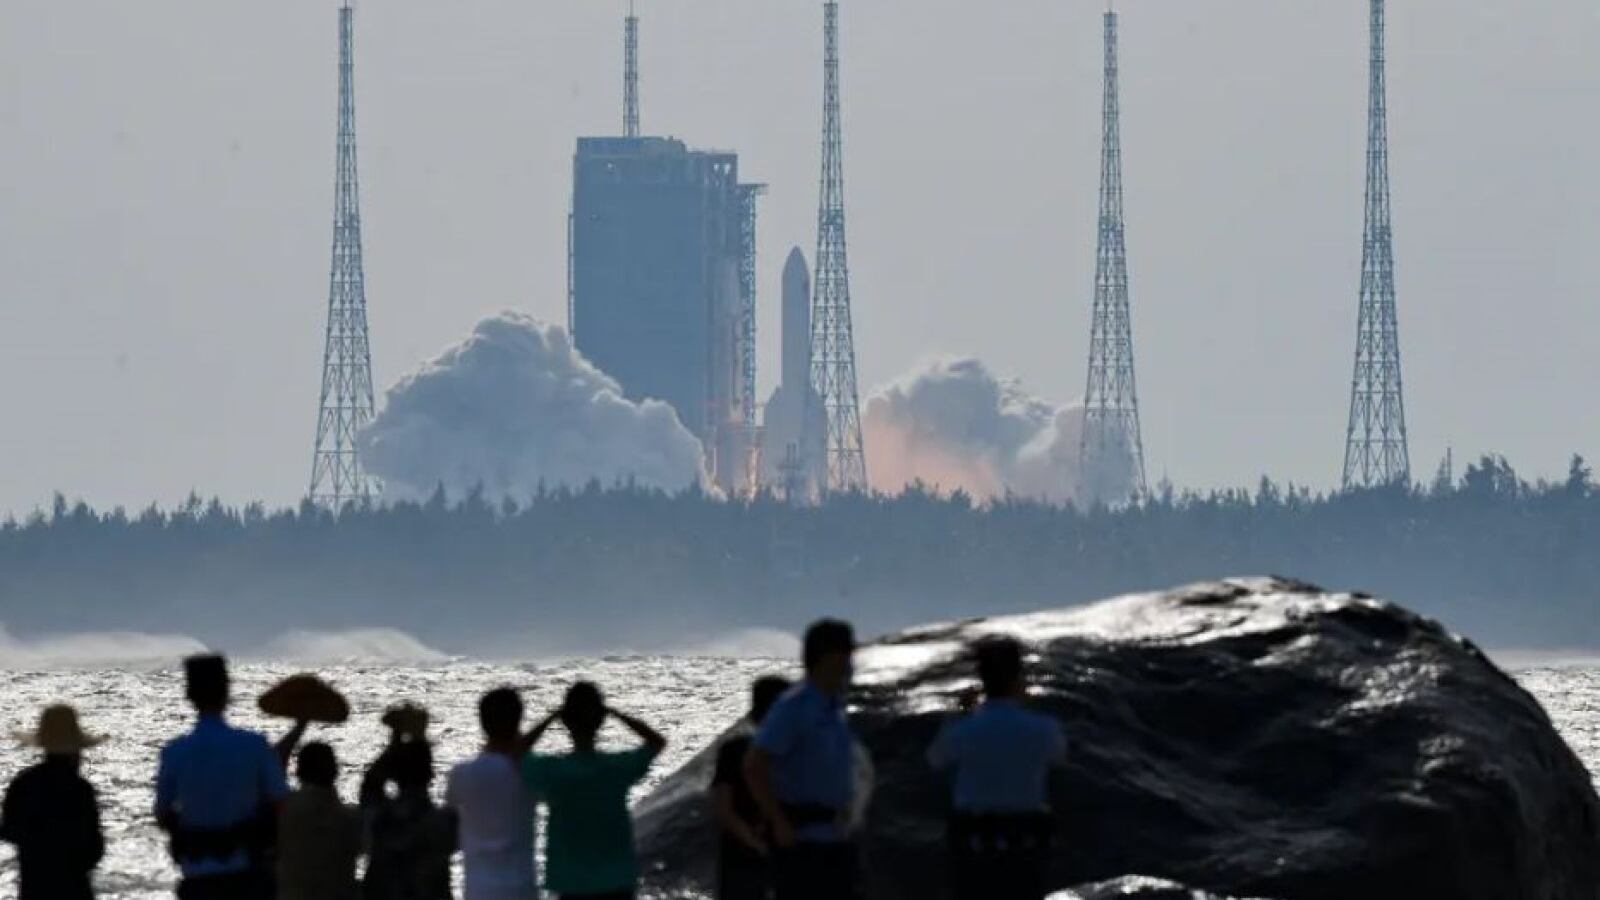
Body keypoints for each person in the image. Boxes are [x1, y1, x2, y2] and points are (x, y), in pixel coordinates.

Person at [926, 638, 1067, 900]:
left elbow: (935, 759)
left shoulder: (964, 730)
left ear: (982, 677)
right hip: (1024, 848)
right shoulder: (1044, 729)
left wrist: (957, 714)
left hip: (974, 848)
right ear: (1018, 676)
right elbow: (1059, 757)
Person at [744, 619, 862, 900]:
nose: (850, 664)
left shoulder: (834, 709)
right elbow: (755, 764)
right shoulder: (794, 708)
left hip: (835, 838)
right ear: (826, 658)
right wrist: (778, 820)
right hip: (802, 841)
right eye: (845, 655)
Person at [155, 654, 289, 900]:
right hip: (248, 875)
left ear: (189, 695)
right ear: (227, 692)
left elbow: (162, 812)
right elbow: (281, 802)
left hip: (198, 876)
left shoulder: (175, 753)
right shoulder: (254, 746)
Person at [522, 681, 667, 900]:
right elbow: (656, 741)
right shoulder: (616, 768)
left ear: (567, 722)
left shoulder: (553, 772)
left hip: (571, 882)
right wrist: (613, 713)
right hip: (617, 880)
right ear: (600, 721)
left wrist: (553, 716)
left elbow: (517, 751)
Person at [0, 704, 106, 900]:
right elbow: (94, 849)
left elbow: (8, 830)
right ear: (76, 751)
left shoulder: (23, 783)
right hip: (74, 891)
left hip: (34, 890)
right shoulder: (80, 789)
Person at [445, 687, 540, 900]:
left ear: (482, 722)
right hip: (522, 890)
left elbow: (449, 824)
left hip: (480, 891)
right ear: (519, 720)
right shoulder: (530, 771)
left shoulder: (462, 774)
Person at [711, 676, 791, 900]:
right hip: (761, 861)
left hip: (744, 860)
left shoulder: (733, 750)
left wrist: (756, 844)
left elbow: (723, 810)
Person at [364, 740, 456, 900]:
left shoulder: (381, 819)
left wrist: (395, 740)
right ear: (430, 775)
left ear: (394, 776)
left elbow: (370, 784)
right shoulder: (444, 822)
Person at [277, 742, 362, 900]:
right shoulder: (348, 818)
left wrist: (300, 726)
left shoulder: (287, 810)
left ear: (298, 772)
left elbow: (277, 763)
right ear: (335, 772)